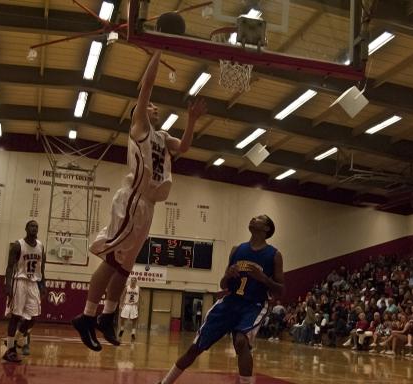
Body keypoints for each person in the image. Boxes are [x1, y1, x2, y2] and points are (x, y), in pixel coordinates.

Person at [72, 49, 207, 351]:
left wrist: (192, 120)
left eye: (156, 108)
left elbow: (184, 146)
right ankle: (86, 316)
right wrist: (158, 49)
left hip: (149, 206)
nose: (154, 109)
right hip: (132, 199)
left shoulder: (162, 137)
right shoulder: (140, 128)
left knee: (124, 267)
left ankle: (107, 317)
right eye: (150, 107)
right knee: (111, 258)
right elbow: (146, 88)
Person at [156, 215, 284, 384]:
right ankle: (165, 382)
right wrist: (227, 275)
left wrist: (263, 279)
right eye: (252, 217)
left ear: (267, 228)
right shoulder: (237, 250)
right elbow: (223, 284)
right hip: (230, 302)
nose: (253, 218)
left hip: (253, 305)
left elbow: (280, 290)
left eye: (259, 218)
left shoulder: (274, 255)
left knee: (241, 341)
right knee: (195, 348)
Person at [2, 220, 46, 363]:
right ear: (26, 228)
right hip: (19, 281)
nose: (34, 228)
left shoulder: (40, 246)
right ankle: (10, 350)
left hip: (33, 283)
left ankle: (15, 341)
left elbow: (41, 268)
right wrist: (8, 284)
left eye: (36, 226)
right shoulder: (18, 245)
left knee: (33, 317)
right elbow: (9, 267)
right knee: (15, 316)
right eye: (32, 226)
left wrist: (43, 284)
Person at [119, 277, 140, 342]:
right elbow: (122, 295)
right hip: (127, 304)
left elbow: (141, 297)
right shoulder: (127, 288)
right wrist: (121, 304)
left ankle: (133, 333)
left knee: (134, 319)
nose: (133, 281)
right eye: (132, 280)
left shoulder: (138, 288)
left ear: (136, 281)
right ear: (130, 281)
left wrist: (139, 304)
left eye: (134, 280)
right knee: (122, 318)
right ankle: (122, 329)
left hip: (134, 305)